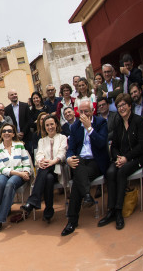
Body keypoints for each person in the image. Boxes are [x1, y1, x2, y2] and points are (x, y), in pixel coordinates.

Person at [98, 94, 143, 230]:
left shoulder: (138, 121)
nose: (121, 108)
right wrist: (118, 157)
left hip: (136, 158)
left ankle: (119, 211)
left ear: (130, 106)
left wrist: (126, 158)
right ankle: (110, 210)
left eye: (124, 105)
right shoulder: (118, 124)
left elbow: (142, 146)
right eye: (119, 106)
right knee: (110, 172)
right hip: (121, 158)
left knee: (122, 172)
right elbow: (114, 146)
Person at [61, 100, 109, 236]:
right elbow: (71, 149)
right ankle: (87, 196)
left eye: (86, 111)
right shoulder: (75, 126)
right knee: (78, 162)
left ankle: (72, 220)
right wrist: (69, 158)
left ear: (92, 111)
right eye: (81, 112)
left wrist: (89, 128)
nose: (83, 114)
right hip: (79, 162)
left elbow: (101, 144)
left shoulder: (100, 123)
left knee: (77, 182)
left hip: (95, 161)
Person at [0, 123, 32, 234]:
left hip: (18, 175)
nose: (7, 133)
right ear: (1, 134)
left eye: (9, 131)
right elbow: (2, 169)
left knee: (10, 184)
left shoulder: (19, 145)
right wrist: (19, 173)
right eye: (4, 131)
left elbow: (26, 161)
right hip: (4, 173)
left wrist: (25, 172)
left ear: (13, 134)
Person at [21, 115, 67, 222]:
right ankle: (48, 211)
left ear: (56, 124)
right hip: (46, 171)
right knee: (48, 178)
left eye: (52, 124)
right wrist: (41, 161)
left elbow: (62, 153)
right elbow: (39, 154)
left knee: (46, 172)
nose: (50, 127)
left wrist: (52, 162)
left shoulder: (62, 138)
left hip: (58, 169)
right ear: (44, 127)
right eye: (47, 125)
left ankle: (33, 201)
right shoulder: (42, 141)